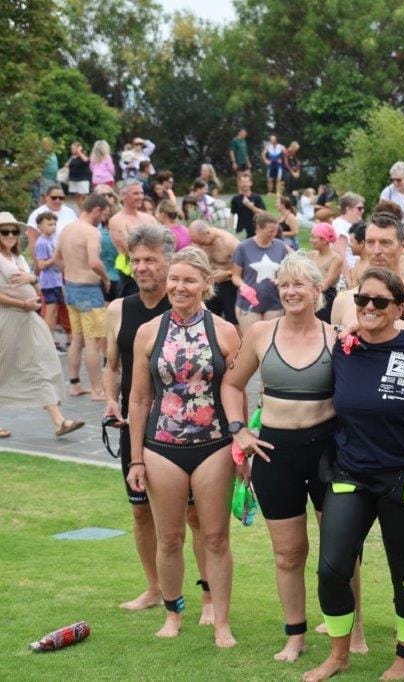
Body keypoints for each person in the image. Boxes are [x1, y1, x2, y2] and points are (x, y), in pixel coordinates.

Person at [305, 268, 404, 682]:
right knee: (332, 567)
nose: (369, 307)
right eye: (363, 300)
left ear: (401, 308)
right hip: (351, 472)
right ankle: (339, 654)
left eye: (380, 301)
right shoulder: (344, 349)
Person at [222, 253, 358, 662]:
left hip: (328, 453)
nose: (291, 291)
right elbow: (232, 385)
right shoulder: (262, 333)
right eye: (284, 284)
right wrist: (239, 431)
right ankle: (295, 634)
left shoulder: (339, 338)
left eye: (300, 284)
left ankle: (354, 633)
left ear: (318, 290)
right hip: (274, 454)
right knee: (288, 553)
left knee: (339, 550)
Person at [125, 247, 241, 647]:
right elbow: (139, 400)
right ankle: (173, 613)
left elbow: (236, 389)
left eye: (189, 280)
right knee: (169, 537)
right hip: (162, 446)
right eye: (174, 279)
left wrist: (240, 439)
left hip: (213, 445)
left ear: (206, 284)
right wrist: (136, 457)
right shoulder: (148, 332)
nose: (179, 286)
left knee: (215, 537)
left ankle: (221, 621)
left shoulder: (225, 331)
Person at [103, 226, 212, 618]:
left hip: (186, 430)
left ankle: (208, 595)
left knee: (196, 517)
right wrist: (111, 401)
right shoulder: (119, 309)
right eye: (137, 260)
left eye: (151, 259)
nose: (143, 267)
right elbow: (112, 367)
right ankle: (154, 588)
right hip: (138, 427)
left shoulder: (189, 305)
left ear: (169, 260)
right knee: (140, 512)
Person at [0, 211, 84, 437]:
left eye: (13, 231)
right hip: (7, 319)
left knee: (40, 364)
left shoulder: (17, 259)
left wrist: (33, 279)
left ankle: (59, 421)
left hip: (28, 320)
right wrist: (21, 304)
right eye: (4, 231)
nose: (10, 235)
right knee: (3, 367)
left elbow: (36, 288)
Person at [330, 210, 404, 330]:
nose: (376, 251)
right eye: (370, 242)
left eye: (385, 243)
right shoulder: (343, 301)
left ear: (402, 247)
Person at [56, 194, 112, 401]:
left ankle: (75, 384)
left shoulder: (67, 229)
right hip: (88, 290)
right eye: (103, 214)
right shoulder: (91, 232)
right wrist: (105, 279)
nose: (103, 218)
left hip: (70, 287)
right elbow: (94, 262)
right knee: (93, 341)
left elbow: (56, 259)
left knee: (77, 339)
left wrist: (71, 271)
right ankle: (97, 389)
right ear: (96, 210)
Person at [231, 212, 290, 335]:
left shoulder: (280, 246)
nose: (274, 234)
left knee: (272, 339)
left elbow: (289, 270)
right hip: (249, 303)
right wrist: (243, 286)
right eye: (270, 231)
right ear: (258, 228)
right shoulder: (243, 247)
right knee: (251, 339)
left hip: (274, 301)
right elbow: (235, 276)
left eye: (275, 230)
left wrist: (282, 280)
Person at [108, 179, 160, 298]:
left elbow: (163, 243)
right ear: (123, 195)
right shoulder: (117, 220)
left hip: (154, 274)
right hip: (131, 276)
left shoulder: (149, 218)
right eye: (135, 193)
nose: (140, 197)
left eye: (141, 193)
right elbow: (128, 248)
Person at [187, 221, 240, 326]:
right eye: (196, 242)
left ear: (207, 233)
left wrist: (228, 273)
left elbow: (247, 266)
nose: (199, 245)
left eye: (201, 242)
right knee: (206, 321)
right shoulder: (197, 242)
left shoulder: (229, 242)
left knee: (233, 322)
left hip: (228, 285)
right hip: (208, 285)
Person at [32, 212, 64, 341]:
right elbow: (41, 265)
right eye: (49, 224)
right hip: (48, 283)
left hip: (57, 281)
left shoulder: (54, 239)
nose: (53, 227)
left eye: (54, 224)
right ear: (40, 227)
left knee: (55, 313)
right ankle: (46, 340)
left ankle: (50, 339)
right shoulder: (41, 243)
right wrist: (54, 259)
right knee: (49, 313)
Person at [26, 184, 77, 255]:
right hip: (47, 256)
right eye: (54, 198)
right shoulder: (37, 214)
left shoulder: (70, 212)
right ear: (46, 197)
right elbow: (32, 241)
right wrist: (37, 262)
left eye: (61, 198)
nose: (58, 200)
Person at [309, 222, 342, 323]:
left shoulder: (336, 259)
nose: (310, 240)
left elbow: (327, 282)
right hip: (310, 295)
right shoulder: (311, 255)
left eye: (314, 237)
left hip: (326, 299)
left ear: (324, 240)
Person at [332, 192, 366, 287]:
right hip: (349, 272)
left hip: (358, 270)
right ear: (348, 209)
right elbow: (341, 254)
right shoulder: (339, 225)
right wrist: (348, 279)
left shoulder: (354, 224)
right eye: (359, 208)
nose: (362, 211)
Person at [230, 171, 267, 238]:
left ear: (251, 183)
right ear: (239, 184)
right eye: (243, 182)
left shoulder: (256, 197)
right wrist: (230, 230)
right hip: (241, 232)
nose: (245, 184)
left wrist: (250, 206)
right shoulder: (236, 199)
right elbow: (232, 215)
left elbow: (264, 214)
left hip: (255, 232)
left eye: (246, 182)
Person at [67, 141, 92, 210]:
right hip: (73, 178)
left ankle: (87, 208)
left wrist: (79, 152)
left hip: (82, 178)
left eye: (74, 148)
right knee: (77, 195)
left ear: (79, 148)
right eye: (71, 148)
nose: (72, 150)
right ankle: (81, 209)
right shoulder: (72, 157)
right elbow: (67, 165)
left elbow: (86, 161)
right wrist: (71, 159)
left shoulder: (83, 155)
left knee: (84, 195)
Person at [262, 133, 286, 198]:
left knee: (278, 179)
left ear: (276, 140)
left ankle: (278, 192)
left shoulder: (281, 147)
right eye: (271, 139)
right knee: (270, 179)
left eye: (273, 139)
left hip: (278, 166)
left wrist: (282, 160)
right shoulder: (268, 146)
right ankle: (270, 192)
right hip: (271, 165)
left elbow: (286, 155)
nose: (272, 141)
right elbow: (263, 154)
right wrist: (265, 161)